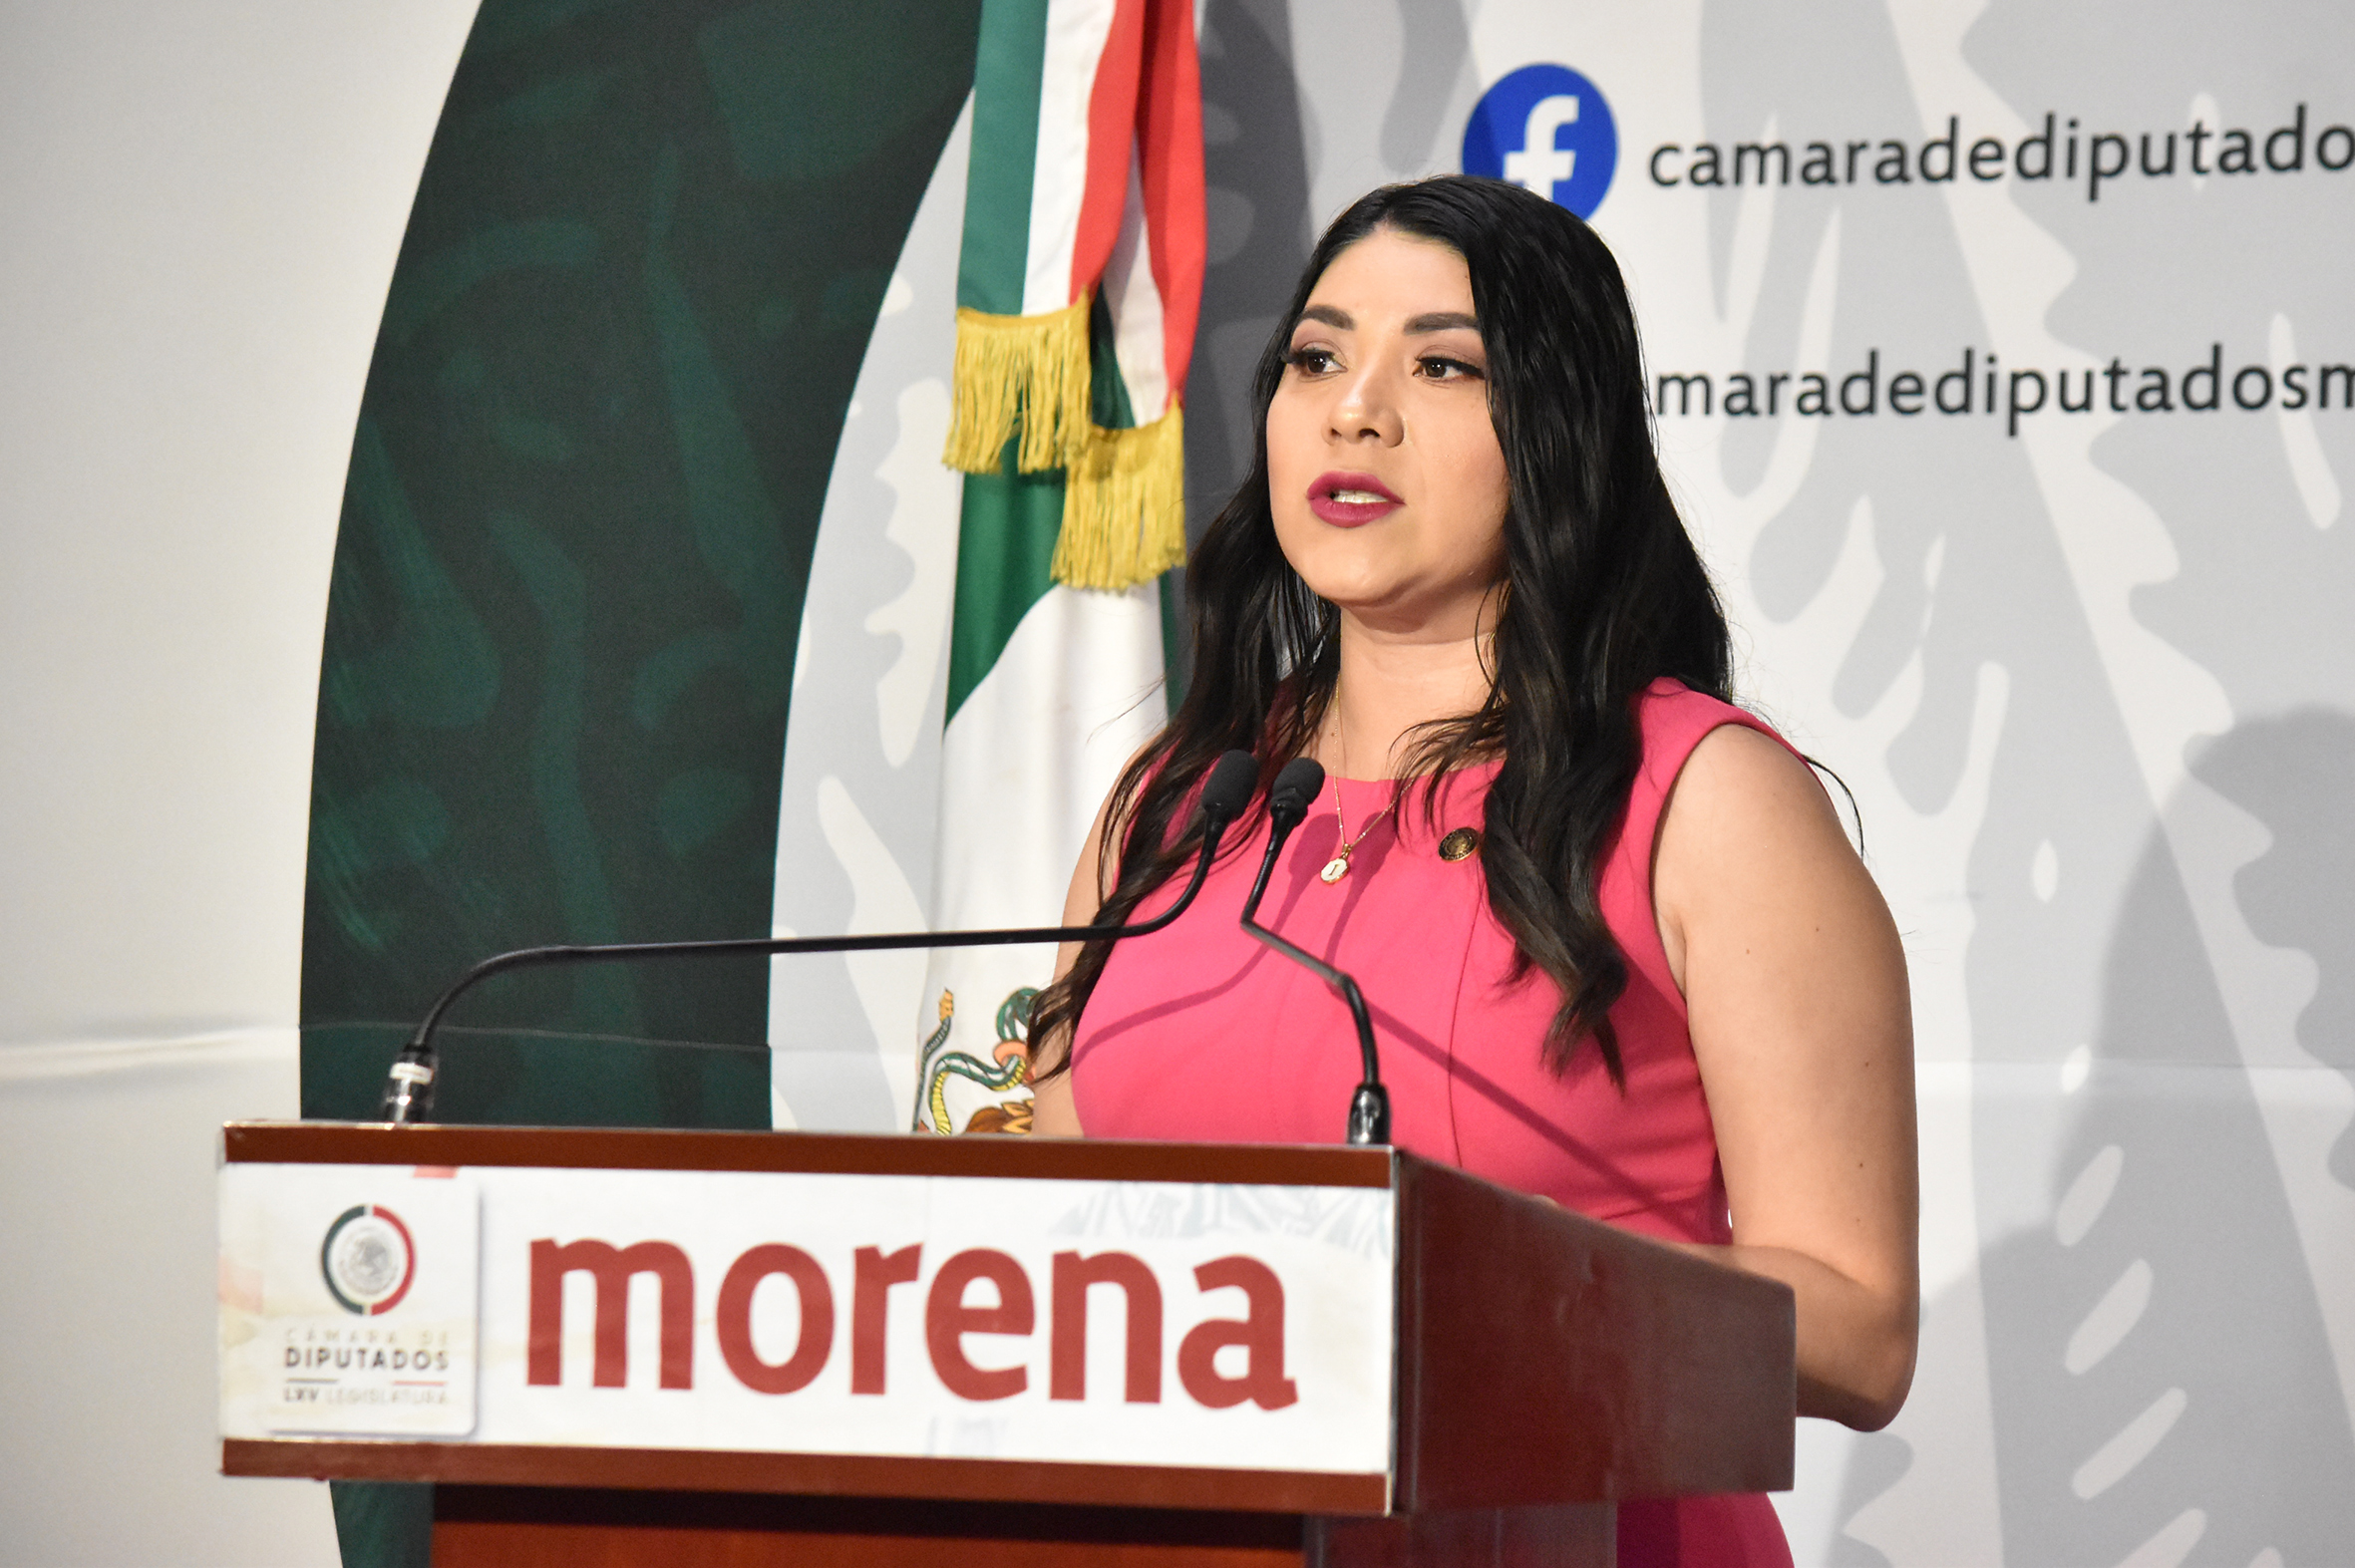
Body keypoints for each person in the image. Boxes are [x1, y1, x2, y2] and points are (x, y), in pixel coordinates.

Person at [1024, 175, 1917, 1568]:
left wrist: (1498, 1281)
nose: (1354, 410)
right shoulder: (1173, 806)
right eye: (1315, 358)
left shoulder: (1702, 798)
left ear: (1556, 430)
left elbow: (1859, 1327)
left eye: (1442, 366)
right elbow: (1046, 1236)